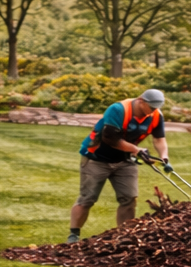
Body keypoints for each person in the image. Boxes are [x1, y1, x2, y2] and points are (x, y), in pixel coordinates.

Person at [68, 88, 168, 242]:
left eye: (157, 108)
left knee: (129, 198)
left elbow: (159, 139)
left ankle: (125, 237)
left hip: (125, 160)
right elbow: (111, 139)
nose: (154, 111)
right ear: (141, 101)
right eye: (152, 107)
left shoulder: (155, 116)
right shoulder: (118, 110)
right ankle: (74, 235)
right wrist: (136, 150)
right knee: (88, 198)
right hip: (96, 157)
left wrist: (164, 158)